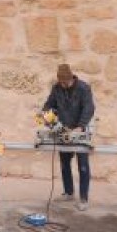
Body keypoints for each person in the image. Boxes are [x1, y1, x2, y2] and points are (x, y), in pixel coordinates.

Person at [42, 63, 95, 211]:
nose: (63, 84)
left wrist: (81, 126)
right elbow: (48, 104)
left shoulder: (83, 88)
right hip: (64, 130)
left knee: (83, 166)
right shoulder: (57, 88)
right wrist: (47, 115)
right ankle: (68, 192)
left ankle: (83, 198)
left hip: (80, 130)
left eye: (65, 82)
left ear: (71, 78)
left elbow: (89, 108)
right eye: (61, 82)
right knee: (65, 164)